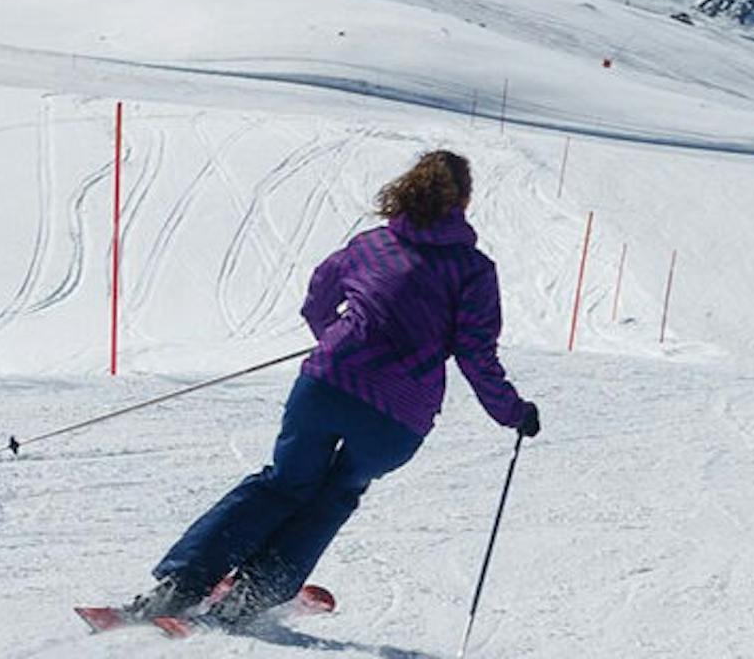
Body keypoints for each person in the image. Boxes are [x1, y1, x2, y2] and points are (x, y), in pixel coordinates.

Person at [122, 148, 541, 625]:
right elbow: (475, 353)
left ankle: (180, 585)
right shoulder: (472, 270)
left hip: (328, 384)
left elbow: (318, 302)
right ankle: (252, 595)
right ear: (463, 201)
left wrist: (342, 341)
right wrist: (513, 412)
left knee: (283, 484)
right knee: (336, 494)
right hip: (398, 414)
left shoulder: (371, 244)